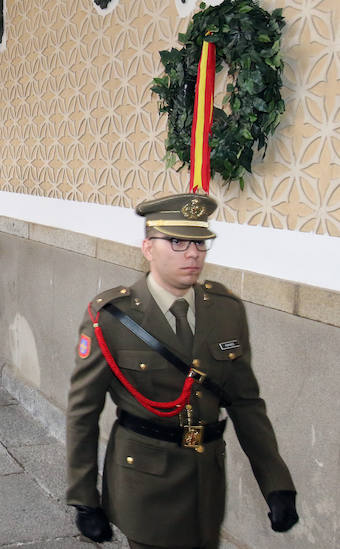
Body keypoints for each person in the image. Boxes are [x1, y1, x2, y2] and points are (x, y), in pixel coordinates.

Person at [65, 193, 298, 548]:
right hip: (144, 482)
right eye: (177, 242)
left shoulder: (225, 310)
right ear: (147, 247)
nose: (193, 254)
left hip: (207, 483)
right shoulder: (111, 317)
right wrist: (83, 496)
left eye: (200, 243)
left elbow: (246, 403)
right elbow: (83, 411)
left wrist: (276, 482)